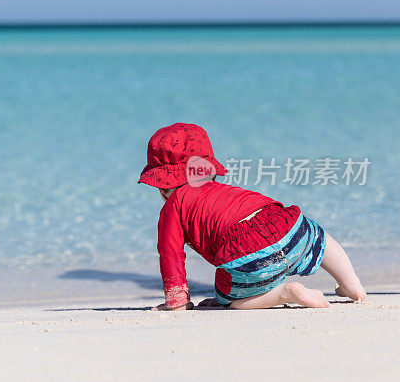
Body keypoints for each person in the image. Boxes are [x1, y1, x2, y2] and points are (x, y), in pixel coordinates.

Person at [137, 122, 366, 311]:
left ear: (161, 186)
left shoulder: (172, 208)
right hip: (287, 225)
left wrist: (177, 302)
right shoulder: (222, 190)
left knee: (230, 298)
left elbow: (171, 255)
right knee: (318, 236)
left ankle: (285, 293)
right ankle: (352, 284)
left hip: (250, 252)